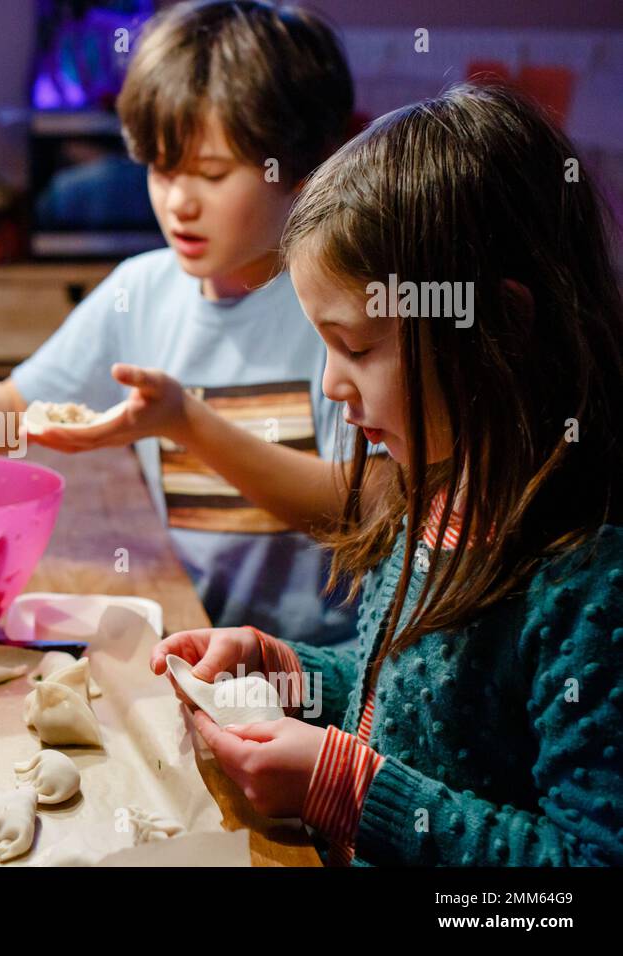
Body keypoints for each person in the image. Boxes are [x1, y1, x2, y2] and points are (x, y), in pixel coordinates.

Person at [147, 83, 623, 865]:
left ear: (498, 325)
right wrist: (289, 673)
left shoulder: (591, 579)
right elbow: (408, 709)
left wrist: (351, 791)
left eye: (358, 347)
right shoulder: (434, 483)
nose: (334, 385)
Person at [0, 1, 358, 645]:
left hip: (319, 675)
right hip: (188, 640)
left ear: (302, 167)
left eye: (211, 174)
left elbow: (357, 508)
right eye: (160, 169)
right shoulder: (143, 290)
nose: (178, 202)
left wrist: (187, 423)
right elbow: (21, 409)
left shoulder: (336, 305)